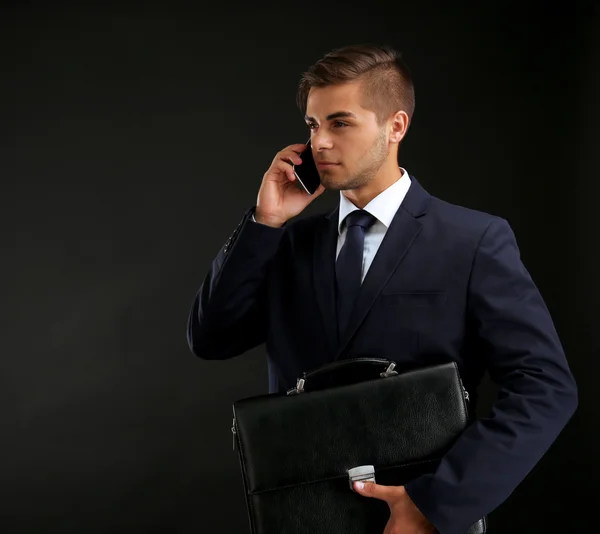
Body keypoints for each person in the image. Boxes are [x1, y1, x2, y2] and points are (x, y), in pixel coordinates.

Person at [186, 44, 578, 534]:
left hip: (417, 518)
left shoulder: (472, 240)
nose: (320, 143)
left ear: (396, 126)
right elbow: (210, 339)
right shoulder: (286, 244)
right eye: (312, 125)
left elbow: (546, 387)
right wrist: (265, 223)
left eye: (340, 123)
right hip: (302, 514)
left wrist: (439, 502)